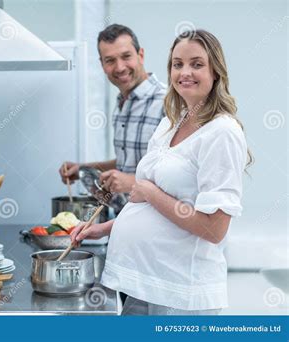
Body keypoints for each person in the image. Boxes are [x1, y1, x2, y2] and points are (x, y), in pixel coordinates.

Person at [71, 29, 252, 315]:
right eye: (177, 64)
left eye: (196, 64)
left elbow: (214, 229)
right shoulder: (172, 123)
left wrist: (150, 192)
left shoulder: (222, 132)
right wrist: (103, 229)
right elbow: (151, 209)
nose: (185, 72)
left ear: (215, 71)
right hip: (144, 283)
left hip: (180, 294)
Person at [59, 24, 166, 212]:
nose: (120, 67)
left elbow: (183, 175)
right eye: (110, 60)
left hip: (157, 227)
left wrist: (131, 182)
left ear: (140, 55)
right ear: (102, 65)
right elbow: (129, 160)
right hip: (124, 221)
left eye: (126, 56)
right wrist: (84, 168)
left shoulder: (169, 103)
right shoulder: (121, 104)